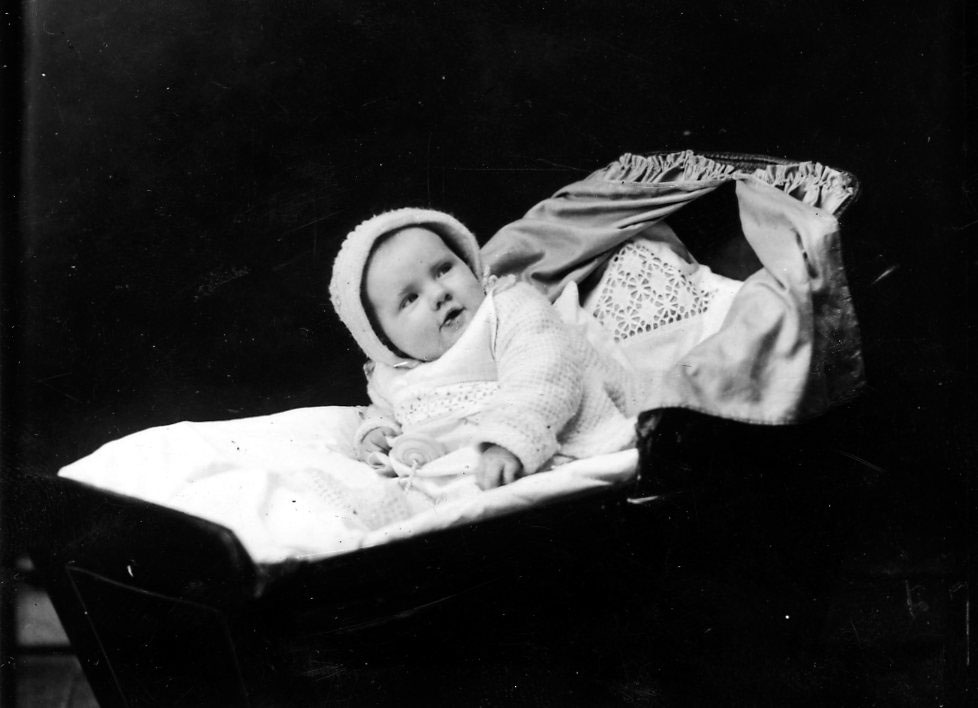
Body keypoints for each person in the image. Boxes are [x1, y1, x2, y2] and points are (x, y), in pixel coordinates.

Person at [329, 207, 639, 490]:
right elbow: (388, 407)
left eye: (443, 269)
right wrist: (377, 430)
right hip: (456, 477)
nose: (439, 293)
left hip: (543, 443)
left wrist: (508, 442)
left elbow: (543, 375)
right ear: (381, 338)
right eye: (410, 299)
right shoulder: (392, 373)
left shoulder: (507, 310)